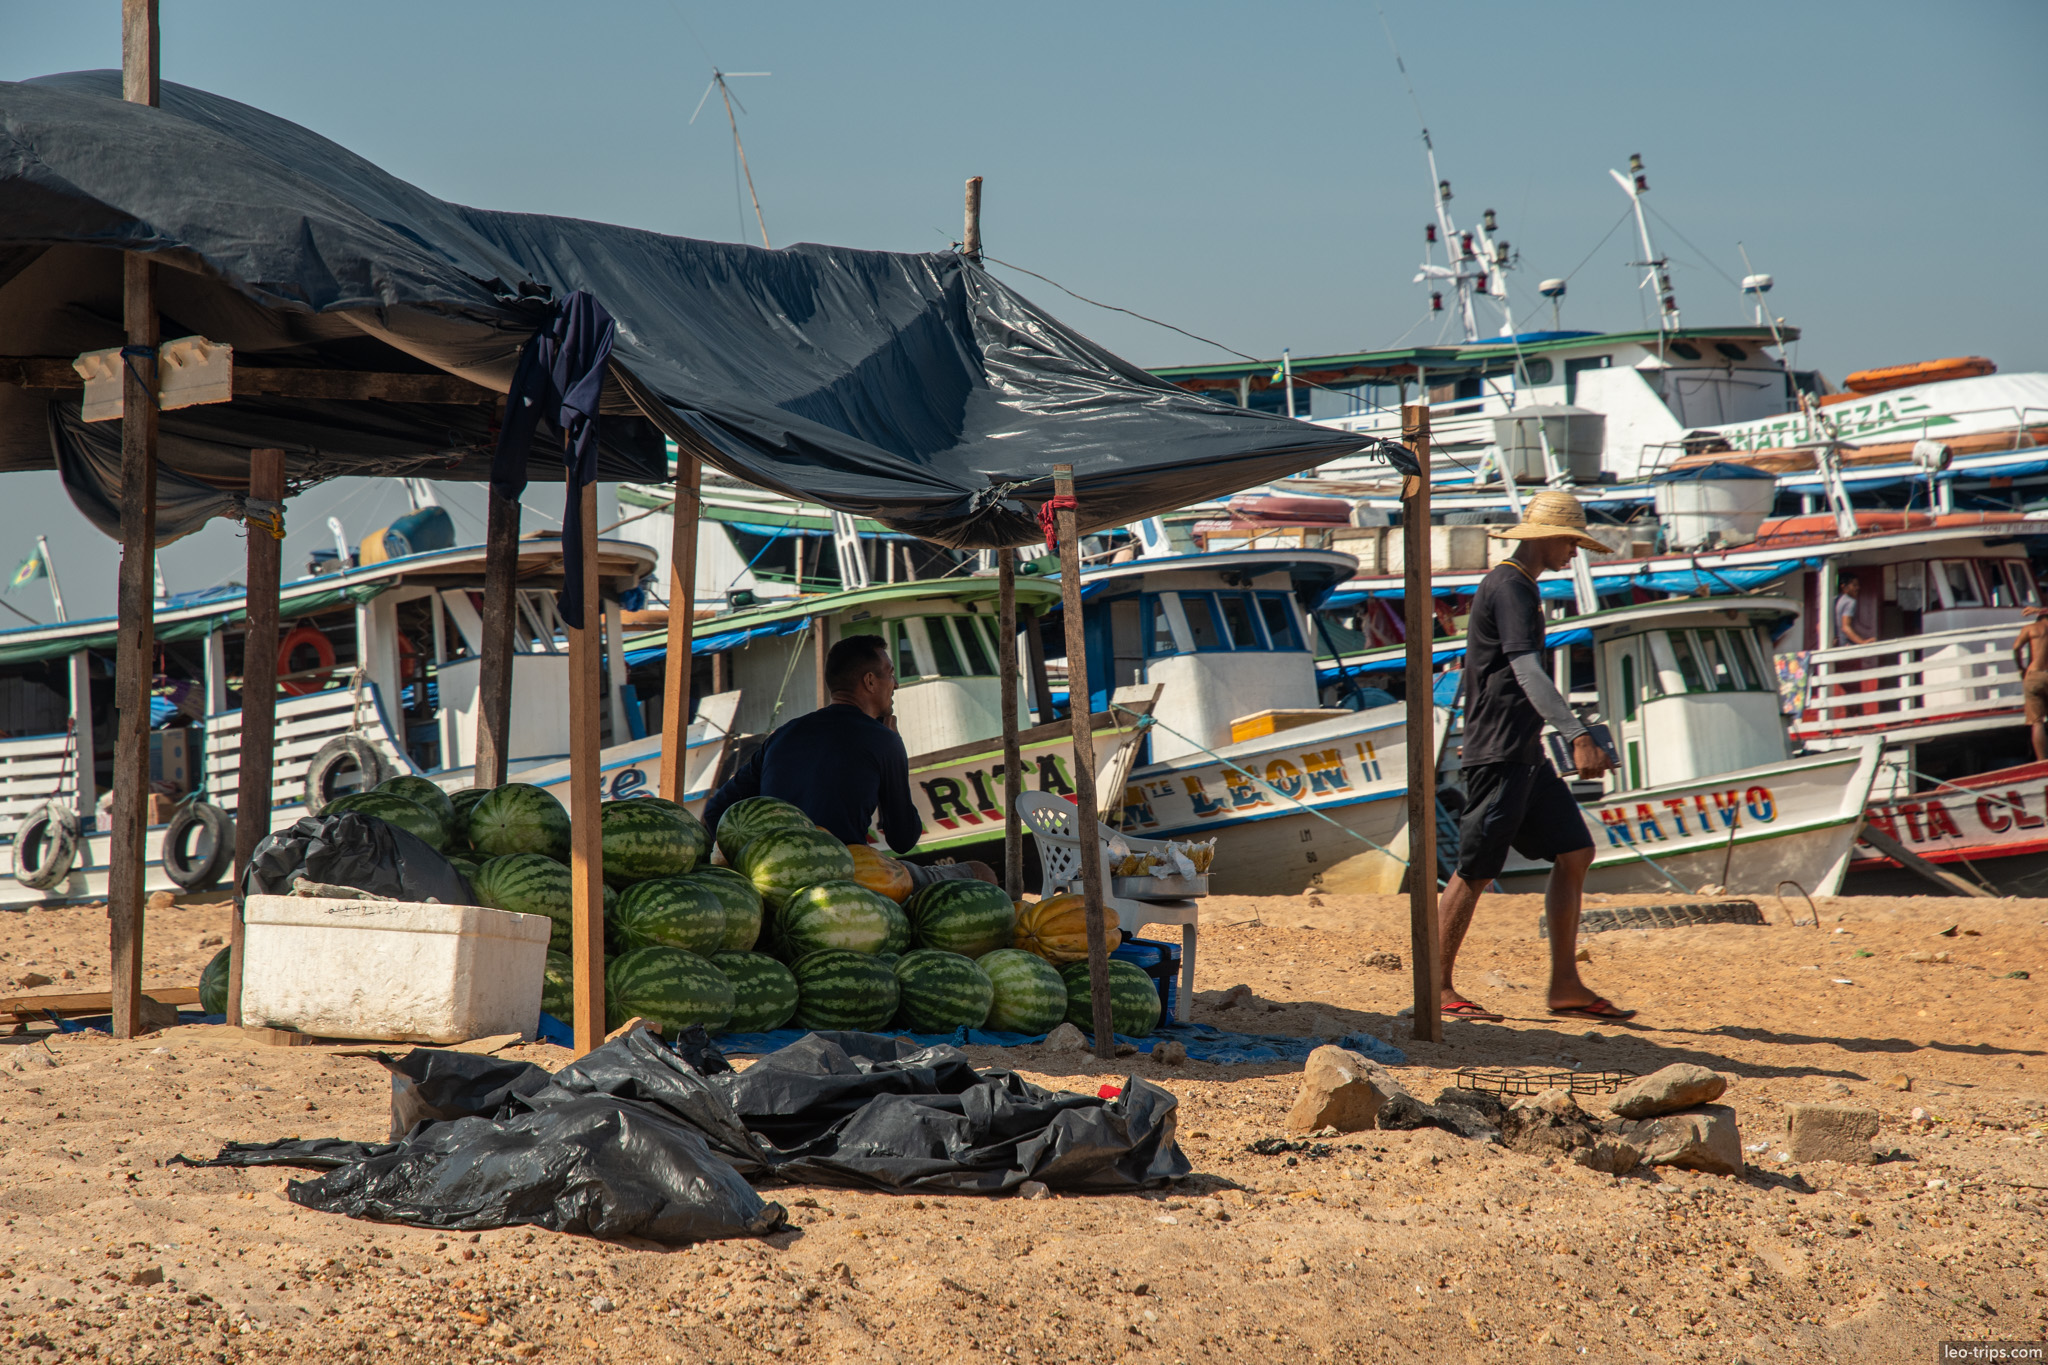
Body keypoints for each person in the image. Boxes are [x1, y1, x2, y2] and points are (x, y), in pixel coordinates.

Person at [1435, 490, 1632, 1024]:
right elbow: (1526, 671)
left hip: (1522, 752)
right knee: (1473, 869)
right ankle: (1435, 988)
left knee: (1575, 852)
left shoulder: (1519, 586)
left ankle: (1565, 986)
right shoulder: (1511, 587)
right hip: (1498, 750)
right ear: (1545, 538)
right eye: (1570, 540)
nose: (1574, 551)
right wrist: (1575, 732)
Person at [702, 633, 994, 889]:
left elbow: (715, 812)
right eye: (890, 674)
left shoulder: (782, 736)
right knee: (982, 873)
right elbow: (903, 839)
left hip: (771, 877)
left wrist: (752, 863)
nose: (896, 684)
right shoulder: (883, 739)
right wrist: (896, 750)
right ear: (870, 681)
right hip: (845, 878)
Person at [2013, 608, 2048, 762]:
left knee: (2037, 722)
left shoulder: (2031, 628)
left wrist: (2020, 667)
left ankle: (2042, 762)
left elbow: (2015, 648)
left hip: (2034, 675)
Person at [1834, 577, 1873, 646]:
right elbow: (1846, 627)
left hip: (1833, 644)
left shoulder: (1834, 600)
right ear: (1844, 587)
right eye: (1854, 585)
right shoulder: (1850, 601)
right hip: (1844, 644)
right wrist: (1862, 642)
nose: (1858, 588)